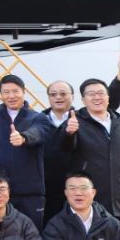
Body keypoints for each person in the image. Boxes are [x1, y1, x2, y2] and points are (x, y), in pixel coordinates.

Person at [61, 79, 120, 232]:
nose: (97, 97)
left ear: (108, 98)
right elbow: (64, 150)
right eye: (91, 94)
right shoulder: (74, 123)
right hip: (88, 201)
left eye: (101, 93)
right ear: (83, 100)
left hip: (119, 202)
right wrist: (69, 133)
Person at [0, 75, 48, 229]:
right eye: (6, 92)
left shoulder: (38, 117)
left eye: (15, 91)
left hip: (30, 192)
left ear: (24, 92)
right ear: (0, 94)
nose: (11, 96)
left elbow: (39, 132)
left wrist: (24, 137)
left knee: (31, 235)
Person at [41, 79, 78, 224]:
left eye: (63, 94)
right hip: (46, 187)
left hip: (75, 186)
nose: (58, 97)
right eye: (53, 94)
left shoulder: (82, 119)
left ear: (72, 96)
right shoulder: (38, 121)